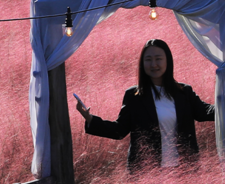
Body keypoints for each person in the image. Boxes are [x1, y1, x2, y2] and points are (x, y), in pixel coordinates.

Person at [75, 39, 215, 173]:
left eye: (158, 58)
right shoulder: (134, 96)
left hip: (184, 169)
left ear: (168, 61)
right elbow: (119, 130)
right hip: (147, 172)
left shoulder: (184, 92)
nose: (153, 64)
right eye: (148, 60)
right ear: (142, 64)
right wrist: (90, 119)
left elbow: (204, 112)